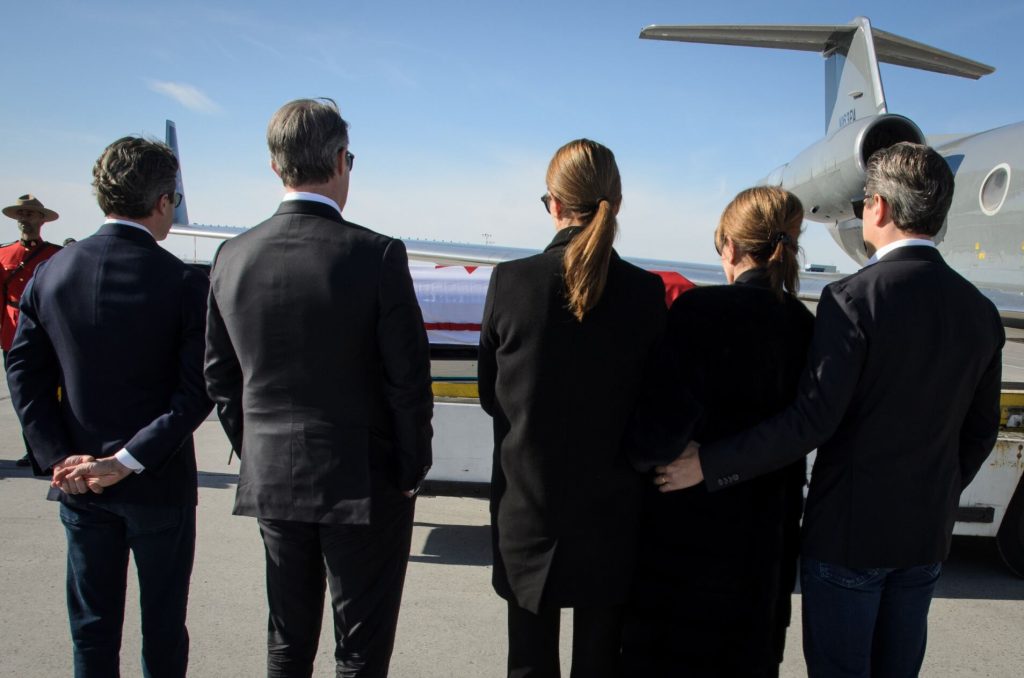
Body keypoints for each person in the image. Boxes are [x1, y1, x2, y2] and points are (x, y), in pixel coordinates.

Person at [659, 142, 1005, 677]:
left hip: (848, 538)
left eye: (864, 200)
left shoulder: (851, 299)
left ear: (882, 209)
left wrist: (708, 464)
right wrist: (939, 490)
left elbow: (811, 420)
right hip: (925, 539)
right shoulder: (981, 312)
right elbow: (981, 431)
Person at [204, 98, 433, 677]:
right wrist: (410, 472)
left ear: (275, 167)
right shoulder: (377, 254)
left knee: (286, 639)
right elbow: (408, 381)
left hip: (272, 477)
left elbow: (220, 377)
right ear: (338, 160)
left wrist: (256, 446)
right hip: (363, 482)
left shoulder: (231, 257)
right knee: (359, 648)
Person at [479, 138, 686, 678]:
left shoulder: (511, 282)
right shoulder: (645, 293)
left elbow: (488, 395)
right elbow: (657, 408)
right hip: (613, 518)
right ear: (616, 202)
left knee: (529, 664)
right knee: (600, 664)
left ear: (553, 203)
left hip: (529, 512)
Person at [5, 137, 212, 677]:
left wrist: (57, 456)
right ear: (164, 201)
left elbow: (23, 372)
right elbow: (195, 393)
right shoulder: (184, 282)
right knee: (164, 631)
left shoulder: (51, 273)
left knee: (92, 633)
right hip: (158, 483)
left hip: (77, 481)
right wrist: (125, 460)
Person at [621, 186, 814, 677]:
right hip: (764, 549)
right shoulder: (805, 325)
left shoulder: (697, 312)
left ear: (730, 246)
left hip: (689, 547)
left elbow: (656, 431)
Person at [2, 194, 62, 469]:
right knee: (24, 393)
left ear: (41, 220)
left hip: (49, 332)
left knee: (55, 392)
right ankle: (34, 449)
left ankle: (53, 448)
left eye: (30, 214)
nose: (25, 219)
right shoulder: (3, 254)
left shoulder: (56, 255)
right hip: (12, 332)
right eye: (21, 214)